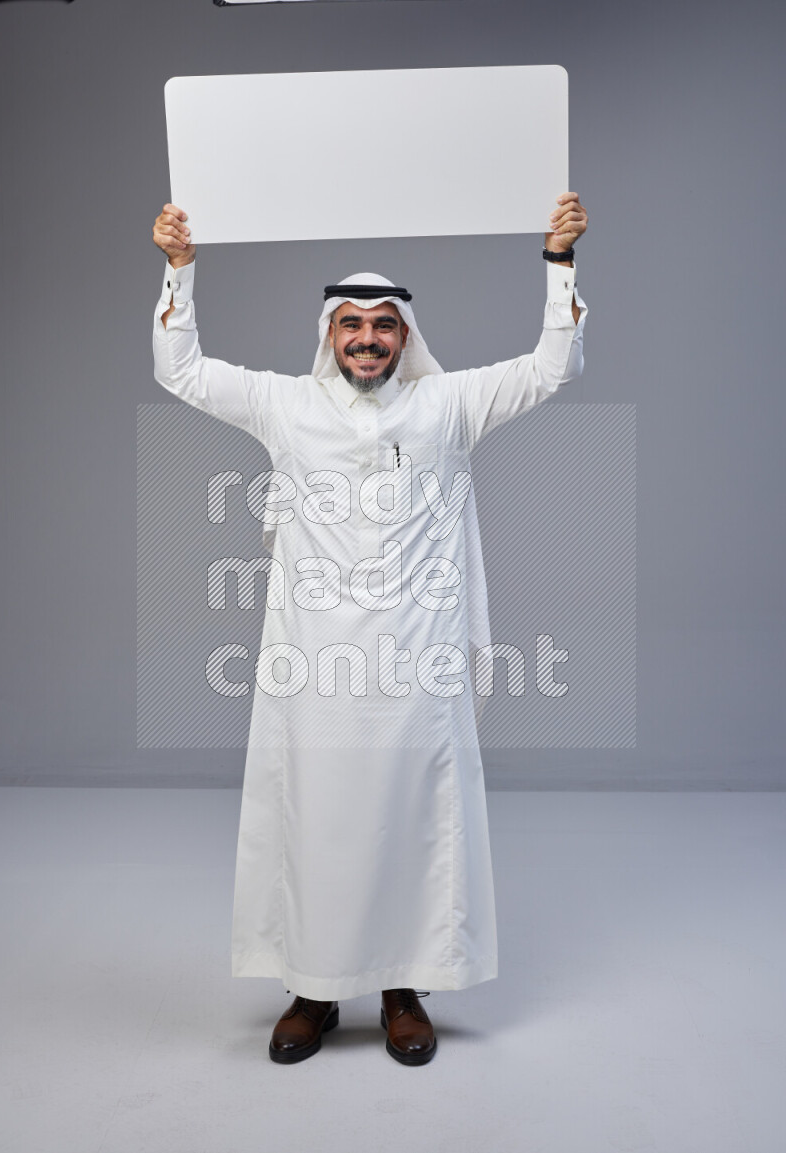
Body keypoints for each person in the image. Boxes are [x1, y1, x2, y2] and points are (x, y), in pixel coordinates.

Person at [151, 193, 588, 1066]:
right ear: (328, 335)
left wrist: (558, 263)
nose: (366, 339)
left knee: (415, 823)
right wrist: (178, 269)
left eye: (383, 326)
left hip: (416, 671)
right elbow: (183, 371)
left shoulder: (449, 406)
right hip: (314, 672)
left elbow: (552, 367)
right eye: (350, 324)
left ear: (405, 337)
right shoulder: (285, 407)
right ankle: (313, 991)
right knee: (315, 821)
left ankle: (401, 987)